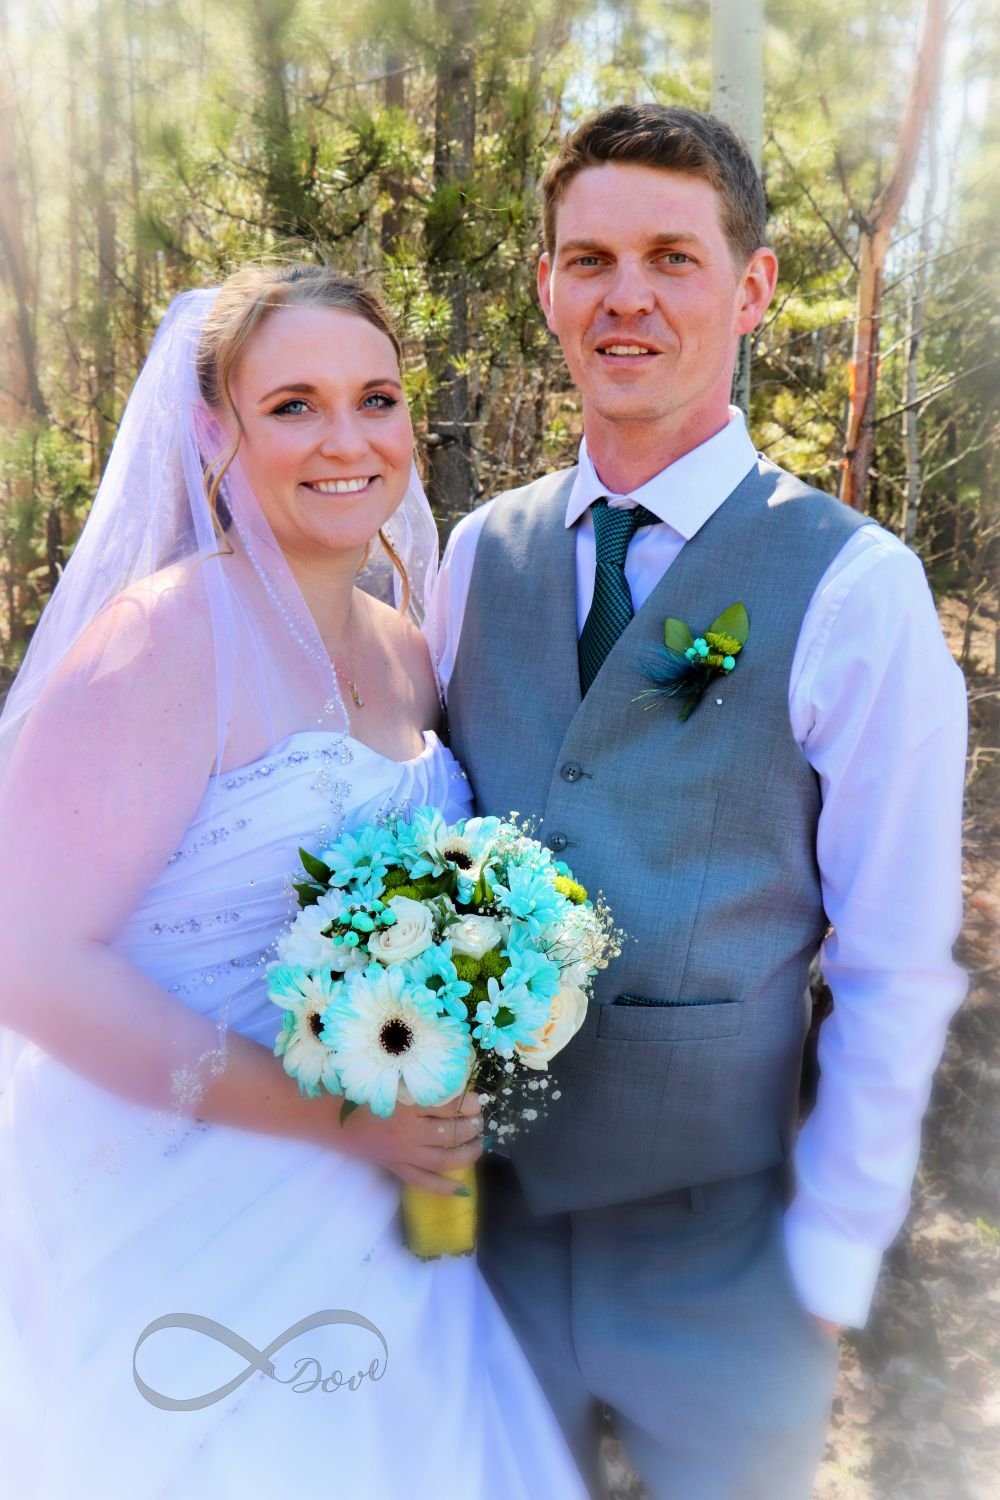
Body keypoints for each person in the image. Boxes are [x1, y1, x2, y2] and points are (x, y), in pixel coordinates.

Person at [426, 104, 968, 1500]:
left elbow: (896, 963)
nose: (628, 297)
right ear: (547, 285)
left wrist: (827, 1270)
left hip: (727, 1262)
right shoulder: (474, 558)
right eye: (590, 259)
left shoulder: (855, 586)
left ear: (753, 287)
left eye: (672, 257)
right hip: (479, 1249)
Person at [0, 265, 587, 1499]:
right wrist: (335, 1121)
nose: (347, 441)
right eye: (293, 406)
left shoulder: (406, 647)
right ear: (212, 431)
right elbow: (29, 961)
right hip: (183, 1208)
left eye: (375, 398)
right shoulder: (163, 639)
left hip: (383, 1213)